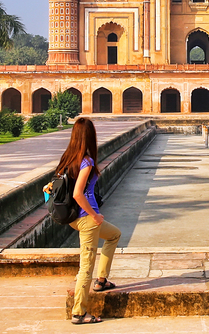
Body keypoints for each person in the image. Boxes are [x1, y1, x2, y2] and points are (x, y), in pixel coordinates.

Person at [54, 117, 120, 325]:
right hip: (86, 218)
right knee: (86, 266)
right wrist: (94, 215)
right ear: (90, 137)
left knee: (114, 235)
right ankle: (79, 313)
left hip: (75, 218)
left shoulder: (67, 158)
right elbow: (77, 194)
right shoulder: (86, 161)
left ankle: (102, 280)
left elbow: (51, 187)